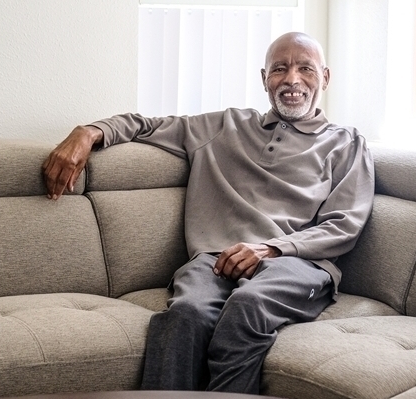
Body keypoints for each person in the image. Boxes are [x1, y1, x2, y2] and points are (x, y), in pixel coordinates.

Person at [42, 32, 375, 394]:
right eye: (280, 69)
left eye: (305, 69)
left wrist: (271, 249)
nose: (292, 79)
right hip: (214, 260)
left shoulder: (347, 142)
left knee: (247, 304)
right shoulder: (222, 126)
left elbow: (344, 224)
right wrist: (87, 132)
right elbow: (145, 125)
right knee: (185, 315)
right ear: (264, 78)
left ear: (324, 77)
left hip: (296, 263)